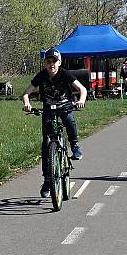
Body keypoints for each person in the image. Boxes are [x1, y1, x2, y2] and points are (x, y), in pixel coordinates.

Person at [21, 48, 87, 198]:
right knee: (46, 145)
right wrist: (27, 103)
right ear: (45, 63)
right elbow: (26, 93)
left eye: (54, 62)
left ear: (59, 62)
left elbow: (82, 89)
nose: (51, 65)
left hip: (65, 106)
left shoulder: (64, 73)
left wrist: (81, 100)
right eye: (48, 62)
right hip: (48, 109)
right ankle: (48, 180)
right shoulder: (42, 76)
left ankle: (75, 144)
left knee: (69, 119)